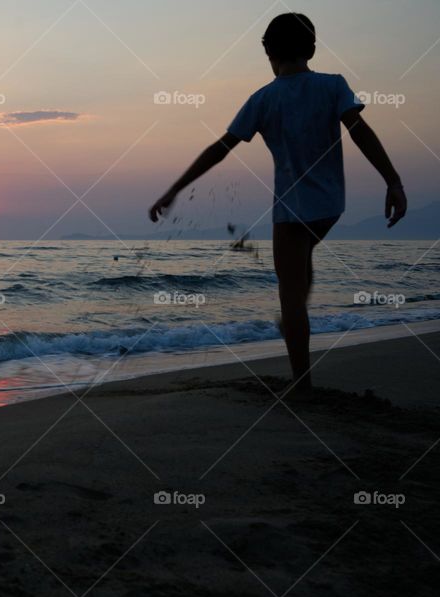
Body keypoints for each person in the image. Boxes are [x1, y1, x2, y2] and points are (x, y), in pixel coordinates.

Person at [148, 12, 407, 392]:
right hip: (332, 206)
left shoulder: (263, 98)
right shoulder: (334, 86)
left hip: (292, 210)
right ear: (313, 49)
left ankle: (301, 383)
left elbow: (221, 149)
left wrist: (174, 188)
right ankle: (296, 326)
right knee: (301, 267)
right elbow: (360, 132)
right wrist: (393, 182)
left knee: (290, 295)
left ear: (268, 51)